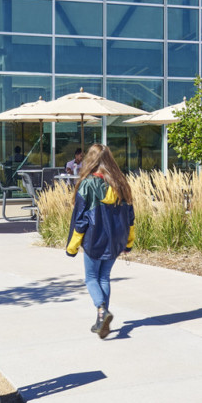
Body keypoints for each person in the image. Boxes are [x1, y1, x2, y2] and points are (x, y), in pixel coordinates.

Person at [65, 144, 136, 338]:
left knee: (91, 278)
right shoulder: (121, 183)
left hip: (94, 240)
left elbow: (80, 219)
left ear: (91, 160)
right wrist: (128, 243)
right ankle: (101, 320)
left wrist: (72, 247)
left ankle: (101, 311)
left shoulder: (88, 184)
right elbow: (130, 217)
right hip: (116, 241)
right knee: (104, 277)